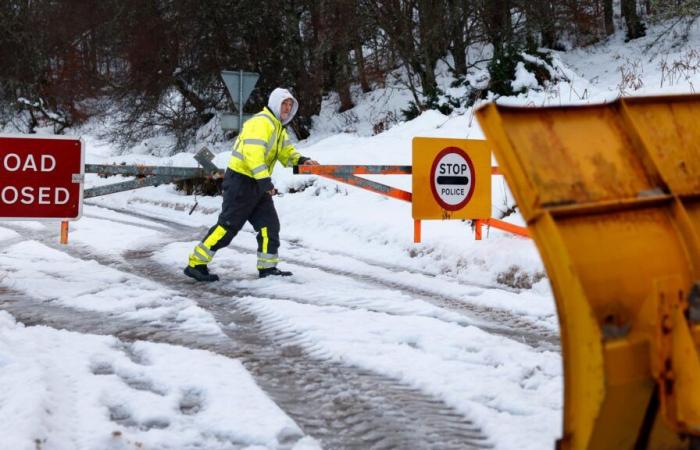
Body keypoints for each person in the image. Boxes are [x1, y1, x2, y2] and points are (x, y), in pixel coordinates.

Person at [184, 87, 318, 282]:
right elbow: (252, 155)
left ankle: (267, 268)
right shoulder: (261, 122)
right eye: (284, 104)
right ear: (275, 103)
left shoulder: (278, 128)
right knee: (227, 227)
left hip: (257, 184)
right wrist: (265, 182)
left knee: (269, 226)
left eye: (290, 105)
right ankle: (196, 263)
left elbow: (287, 153)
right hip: (241, 181)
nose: (288, 108)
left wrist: (302, 160)